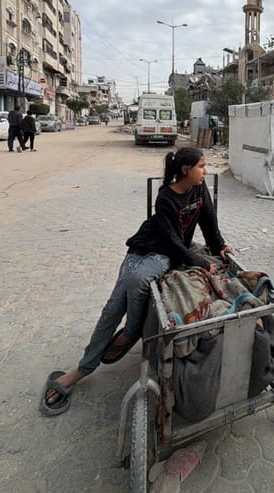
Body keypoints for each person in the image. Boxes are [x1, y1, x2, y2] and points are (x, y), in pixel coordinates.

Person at [40, 146, 234, 416]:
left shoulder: (200, 191)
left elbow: (209, 226)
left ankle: (131, 331)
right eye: (202, 165)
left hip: (167, 255)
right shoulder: (165, 197)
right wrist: (202, 263)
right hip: (147, 248)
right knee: (112, 306)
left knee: (139, 281)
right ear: (185, 170)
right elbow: (169, 240)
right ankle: (81, 370)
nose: (206, 170)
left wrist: (220, 247)